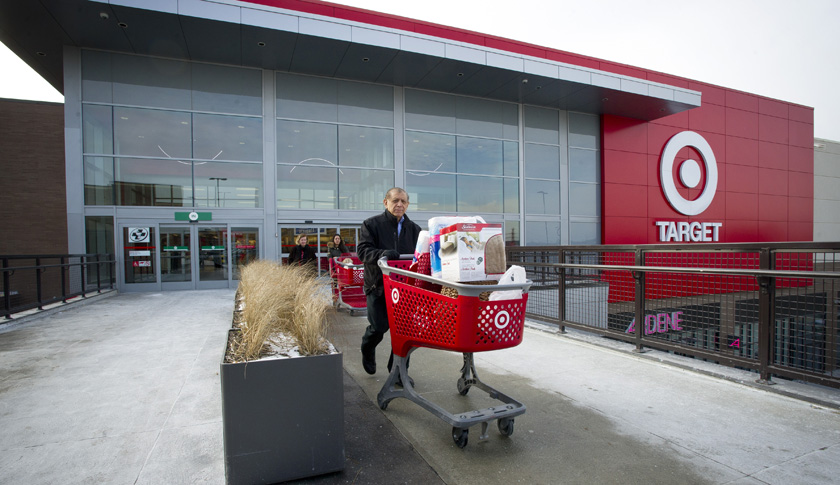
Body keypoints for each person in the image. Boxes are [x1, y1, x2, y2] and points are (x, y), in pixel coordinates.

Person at [357, 187, 421, 382]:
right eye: (395, 201)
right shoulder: (371, 224)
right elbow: (363, 251)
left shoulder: (415, 230)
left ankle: (399, 371)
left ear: (408, 205)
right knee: (379, 326)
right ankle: (368, 347)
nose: (399, 204)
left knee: (404, 331)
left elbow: (422, 257)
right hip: (377, 286)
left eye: (403, 201)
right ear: (386, 203)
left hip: (405, 289)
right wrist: (382, 254)